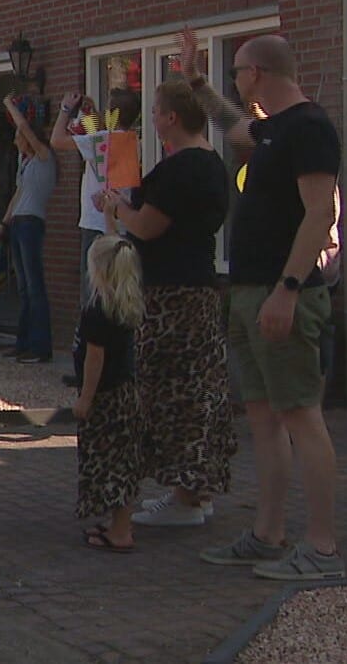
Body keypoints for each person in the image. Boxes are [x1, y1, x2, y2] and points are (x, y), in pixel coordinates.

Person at [182, 31, 344, 580]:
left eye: (237, 71)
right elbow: (232, 123)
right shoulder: (272, 130)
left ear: (258, 73)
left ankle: (322, 549)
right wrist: (197, 83)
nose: (235, 81)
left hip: (285, 295)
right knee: (264, 417)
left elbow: (319, 214)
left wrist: (289, 289)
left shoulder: (310, 129)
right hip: (250, 291)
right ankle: (268, 535)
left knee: (301, 414)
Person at [95, 80, 234, 527]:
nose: (152, 119)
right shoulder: (209, 163)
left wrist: (118, 211)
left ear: (172, 117)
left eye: (156, 111)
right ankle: (193, 491)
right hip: (197, 290)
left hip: (174, 296)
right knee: (196, 390)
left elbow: (149, 227)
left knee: (174, 393)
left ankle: (187, 498)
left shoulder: (183, 169)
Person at [51, 87, 143, 386]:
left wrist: (67, 108)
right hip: (120, 222)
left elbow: (57, 140)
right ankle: (118, 364)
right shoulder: (129, 141)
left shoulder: (100, 140)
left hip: (95, 224)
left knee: (92, 297)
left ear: (111, 112)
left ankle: (87, 368)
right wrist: (91, 116)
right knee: (117, 294)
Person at [76, 235, 145, 552]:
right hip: (127, 393)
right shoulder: (127, 305)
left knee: (109, 463)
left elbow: (95, 359)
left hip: (106, 398)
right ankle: (121, 523)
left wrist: (86, 398)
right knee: (125, 463)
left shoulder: (97, 311)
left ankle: (120, 532)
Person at [0, 94, 56, 363]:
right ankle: (23, 342)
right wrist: (3, 224)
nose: (15, 141)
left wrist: (9, 105)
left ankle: (40, 347)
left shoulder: (44, 157)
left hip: (32, 223)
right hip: (19, 223)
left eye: (18, 136)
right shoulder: (25, 163)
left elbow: (27, 131)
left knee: (34, 286)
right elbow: (18, 195)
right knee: (22, 288)